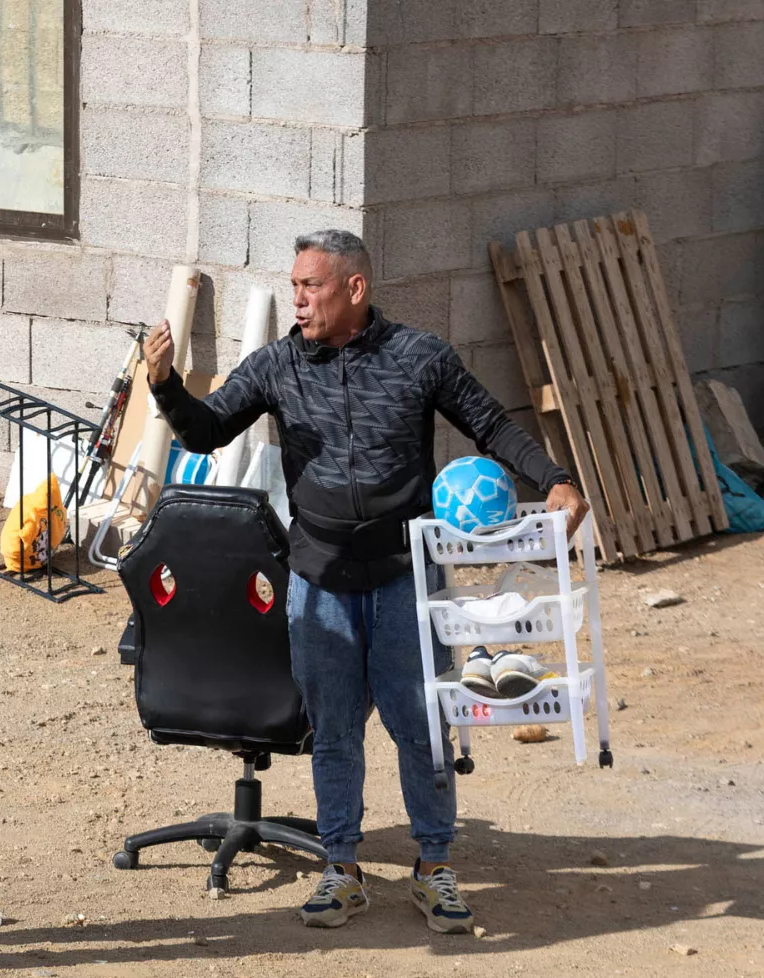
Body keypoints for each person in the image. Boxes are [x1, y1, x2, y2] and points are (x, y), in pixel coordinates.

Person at [142, 230, 589, 935]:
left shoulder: (419, 357)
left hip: (405, 577)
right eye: (293, 286)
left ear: (355, 288)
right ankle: (341, 869)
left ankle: (434, 867)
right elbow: (206, 431)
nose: (297, 300)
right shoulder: (277, 365)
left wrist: (555, 478)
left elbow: (490, 424)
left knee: (424, 729)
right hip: (318, 580)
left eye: (311, 286)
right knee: (335, 732)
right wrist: (166, 384)